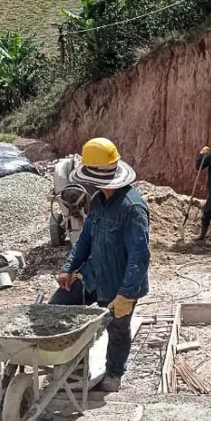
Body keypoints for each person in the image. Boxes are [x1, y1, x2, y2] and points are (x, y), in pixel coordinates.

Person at [52, 137, 151, 393]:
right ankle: (73, 367)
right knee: (57, 309)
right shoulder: (97, 201)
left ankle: (114, 374)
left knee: (117, 329)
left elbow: (139, 258)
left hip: (119, 283)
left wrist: (126, 295)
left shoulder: (133, 208)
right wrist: (68, 267)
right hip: (93, 275)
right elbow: (85, 238)